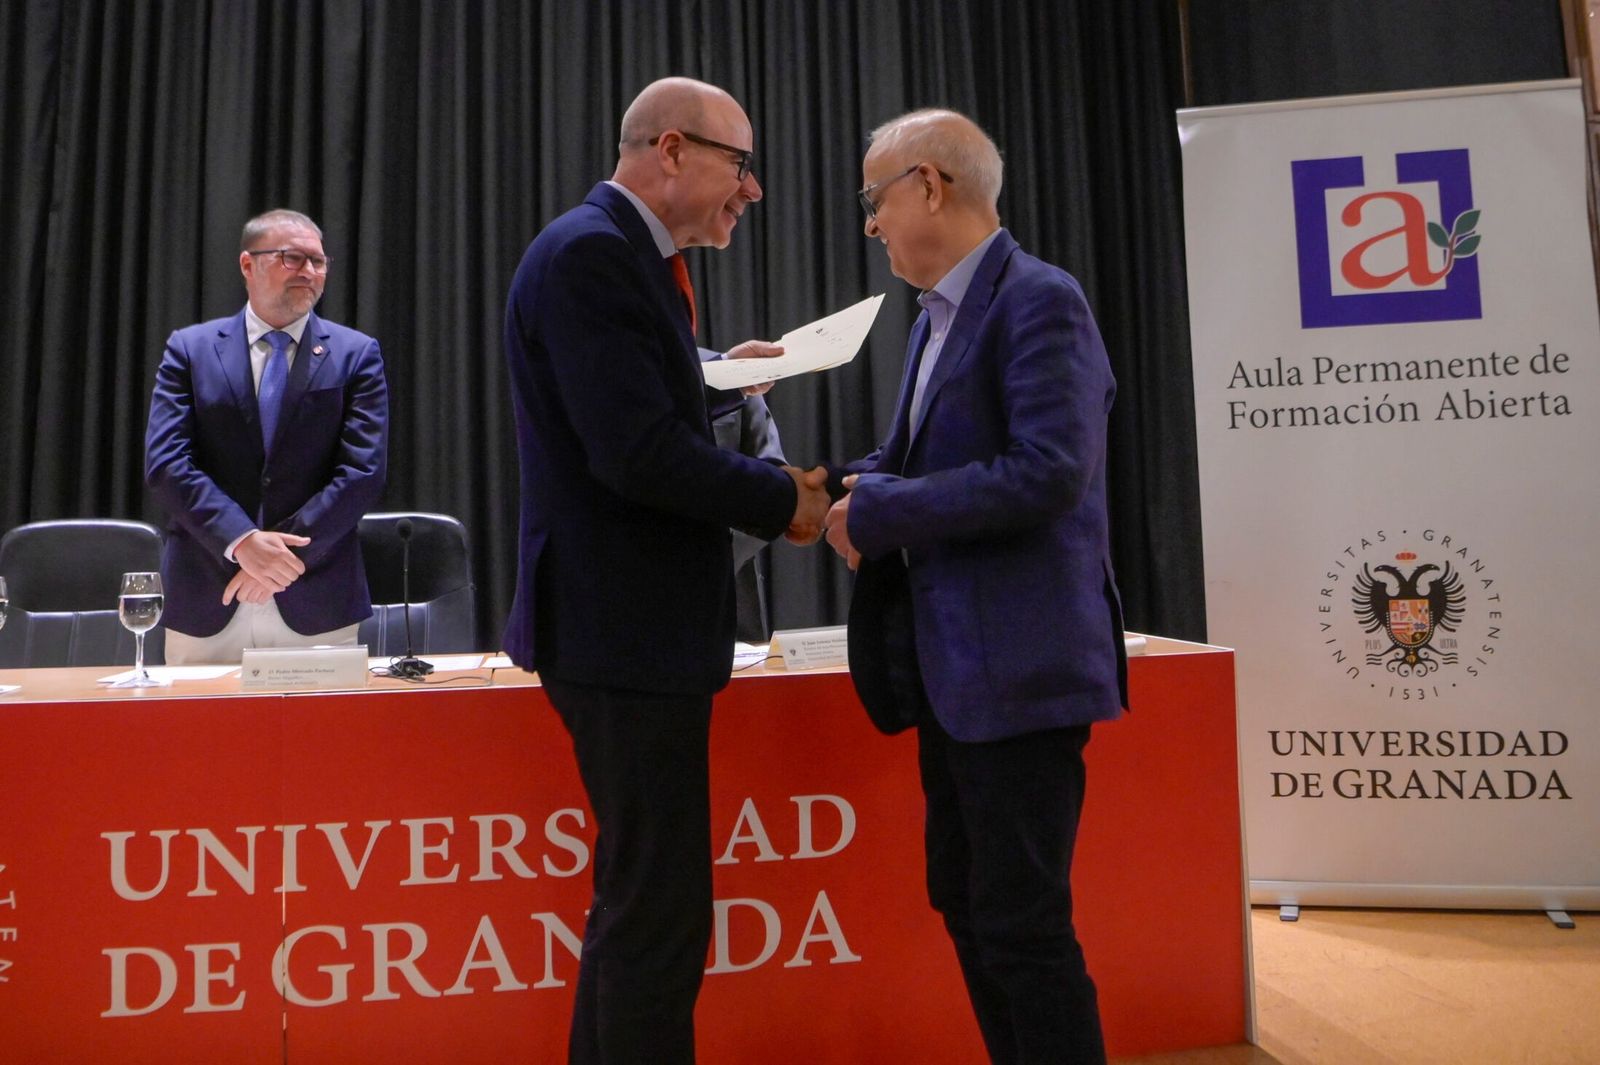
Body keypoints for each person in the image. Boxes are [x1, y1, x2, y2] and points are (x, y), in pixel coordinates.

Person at [500, 77, 828, 1064]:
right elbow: (635, 454)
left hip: (627, 630)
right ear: (672, 151)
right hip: (622, 633)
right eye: (741, 165)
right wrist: (791, 502)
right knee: (659, 915)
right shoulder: (594, 257)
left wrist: (713, 371)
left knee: (639, 902)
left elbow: (628, 395)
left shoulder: (613, 256)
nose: (753, 191)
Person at [821, 109, 1128, 1064]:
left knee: (1023, 926)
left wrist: (877, 513)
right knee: (969, 903)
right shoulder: (936, 320)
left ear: (930, 185)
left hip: (1023, 672)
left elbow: (1046, 471)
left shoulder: (1041, 300)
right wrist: (819, 489)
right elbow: (916, 461)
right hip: (956, 676)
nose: (870, 225)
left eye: (874, 199)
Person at [145, 209, 388, 664]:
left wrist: (275, 563)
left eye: (318, 262)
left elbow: (362, 472)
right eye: (292, 258)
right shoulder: (190, 349)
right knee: (200, 736)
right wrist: (241, 541)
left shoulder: (356, 354)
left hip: (316, 593)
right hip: (206, 592)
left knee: (321, 736)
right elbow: (167, 463)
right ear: (247, 264)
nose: (310, 272)